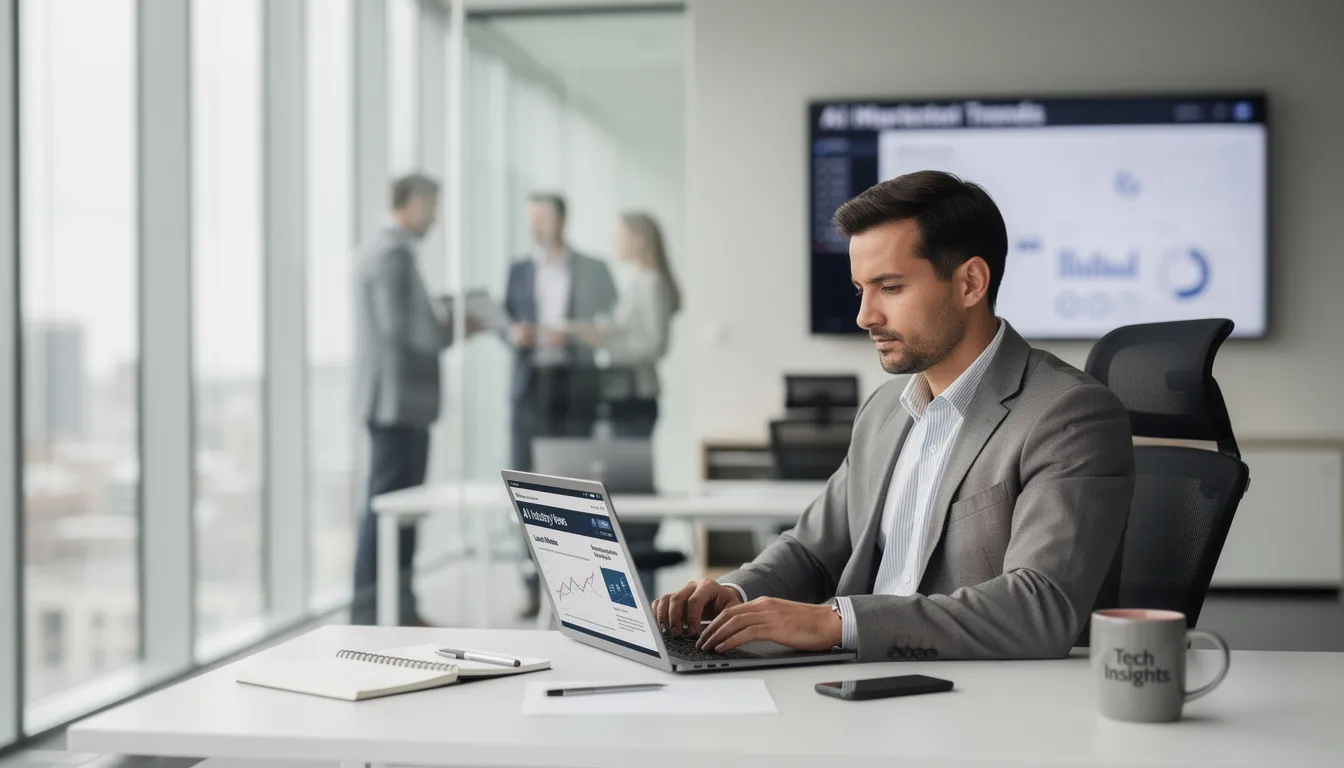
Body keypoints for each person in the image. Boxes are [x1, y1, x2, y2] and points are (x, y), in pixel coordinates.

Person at [653, 170, 1135, 661]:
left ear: (970, 283)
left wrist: (836, 622)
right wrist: (735, 595)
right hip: (860, 678)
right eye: (861, 288)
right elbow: (812, 550)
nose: (866, 315)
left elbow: (1039, 608)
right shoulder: (885, 408)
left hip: (972, 697)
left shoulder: (1067, 414)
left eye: (890, 287)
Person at [351, 173, 466, 626]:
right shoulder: (391, 252)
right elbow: (403, 327)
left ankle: (393, 607)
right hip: (395, 403)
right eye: (433, 207)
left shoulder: (387, 251)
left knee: (393, 508)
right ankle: (374, 612)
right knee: (389, 511)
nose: (435, 218)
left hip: (397, 403)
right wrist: (451, 327)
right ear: (413, 203)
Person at [505, 193, 618, 617]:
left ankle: (574, 586)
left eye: (544, 218)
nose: (537, 227)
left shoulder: (593, 268)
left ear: (562, 220)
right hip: (530, 386)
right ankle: (532, 584)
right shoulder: (518, 270)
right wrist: (514, 334)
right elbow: (506, 319)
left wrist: (570, 333)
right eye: (532, 219)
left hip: (576, 387)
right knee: (527, 487)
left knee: (571, 486)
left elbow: (611, 323)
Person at [571, 212, 681, 597]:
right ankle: (632, 588)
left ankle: (643, 591)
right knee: (623, 489)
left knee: (632, 493)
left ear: (636, 238)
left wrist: (604, 341)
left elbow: (654, 345)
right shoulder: (635, 280)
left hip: (636, 397)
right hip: (623, 398)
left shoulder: (650, 281)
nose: (613, 242)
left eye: (618, 235)